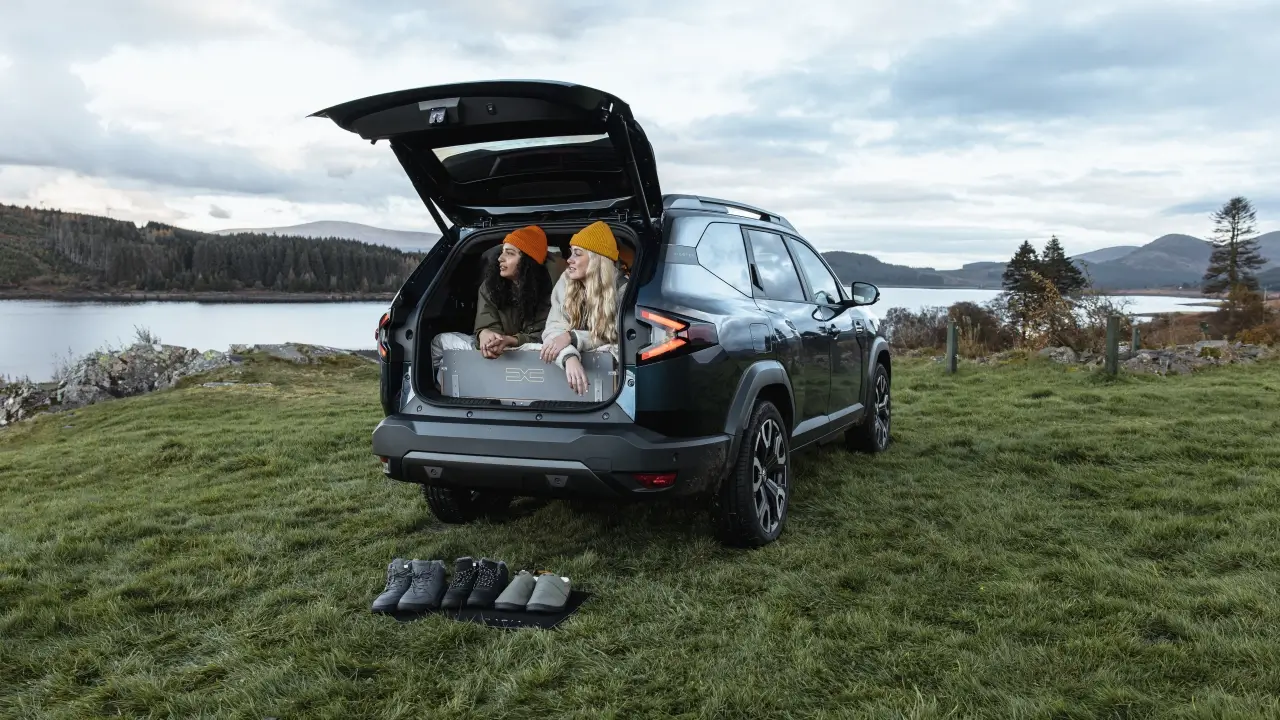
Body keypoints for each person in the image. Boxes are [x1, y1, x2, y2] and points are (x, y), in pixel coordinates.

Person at [429, 225, 552, 386]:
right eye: (502, 252)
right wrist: (485, 334)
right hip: (496, 350)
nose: (501, 258)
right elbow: (487, 323)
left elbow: (542, 336)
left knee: (539, 348)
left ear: (528, 261)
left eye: (510, 253)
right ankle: (440, 390)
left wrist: (511, 340)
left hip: (527, 350)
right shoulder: (489, 287)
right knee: (440, 341)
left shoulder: (549, 292)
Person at [540, 220, 628, 395]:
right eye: (571, 252)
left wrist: (572, 337)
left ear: (596, 260)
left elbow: (615, 338)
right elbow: (553, 329)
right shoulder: (566, 281)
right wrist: (569, 356)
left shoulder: (622, 290)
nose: (569, 260)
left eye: (577, 254)